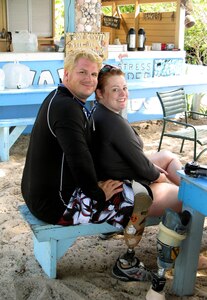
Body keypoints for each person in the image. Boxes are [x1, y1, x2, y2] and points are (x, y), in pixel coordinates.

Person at [91, 65, 185, 281]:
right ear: (100, 93)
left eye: (124, 87)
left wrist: (158, 172)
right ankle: (185, 254)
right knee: (184, 197)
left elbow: (135, 159)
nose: (123, 93)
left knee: (167, 155)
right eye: (115, 89)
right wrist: (164, 179)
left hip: (118, 174)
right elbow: (145, 169)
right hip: (122, 192)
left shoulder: (100, 113)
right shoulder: (113, 123)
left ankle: (188, 192)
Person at [21, 49, 124, 225]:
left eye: (93, 74)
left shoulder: (59, 97)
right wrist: (98, 194)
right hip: (57, 206)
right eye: (82, 72)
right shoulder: (67, 108)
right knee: (136, 196)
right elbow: (79, 158)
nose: (89, 79)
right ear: (66, 74)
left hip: (37, 197)